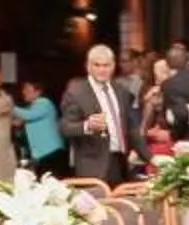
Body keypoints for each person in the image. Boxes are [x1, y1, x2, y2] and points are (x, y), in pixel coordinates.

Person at [59, 44, 145, 185]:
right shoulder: (76, 92)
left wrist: (150, 157)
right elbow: (65, 128)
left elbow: (131, 129)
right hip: (92, 168)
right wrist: (87, 126)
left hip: (120, 164)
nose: (102, 70)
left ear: (113, 66)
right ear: (88, 66)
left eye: (106, 65)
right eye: (97, 65)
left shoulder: (121, 91)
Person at [13, 78, 67, 176]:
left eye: (27, 89)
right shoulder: (32, 107)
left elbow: (28, 115)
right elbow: (18, 121)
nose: (24, 92)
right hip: (43, 154)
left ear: (38, 92)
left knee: (50, 183)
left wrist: (9, 106)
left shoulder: (44, 102)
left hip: (51, 152)